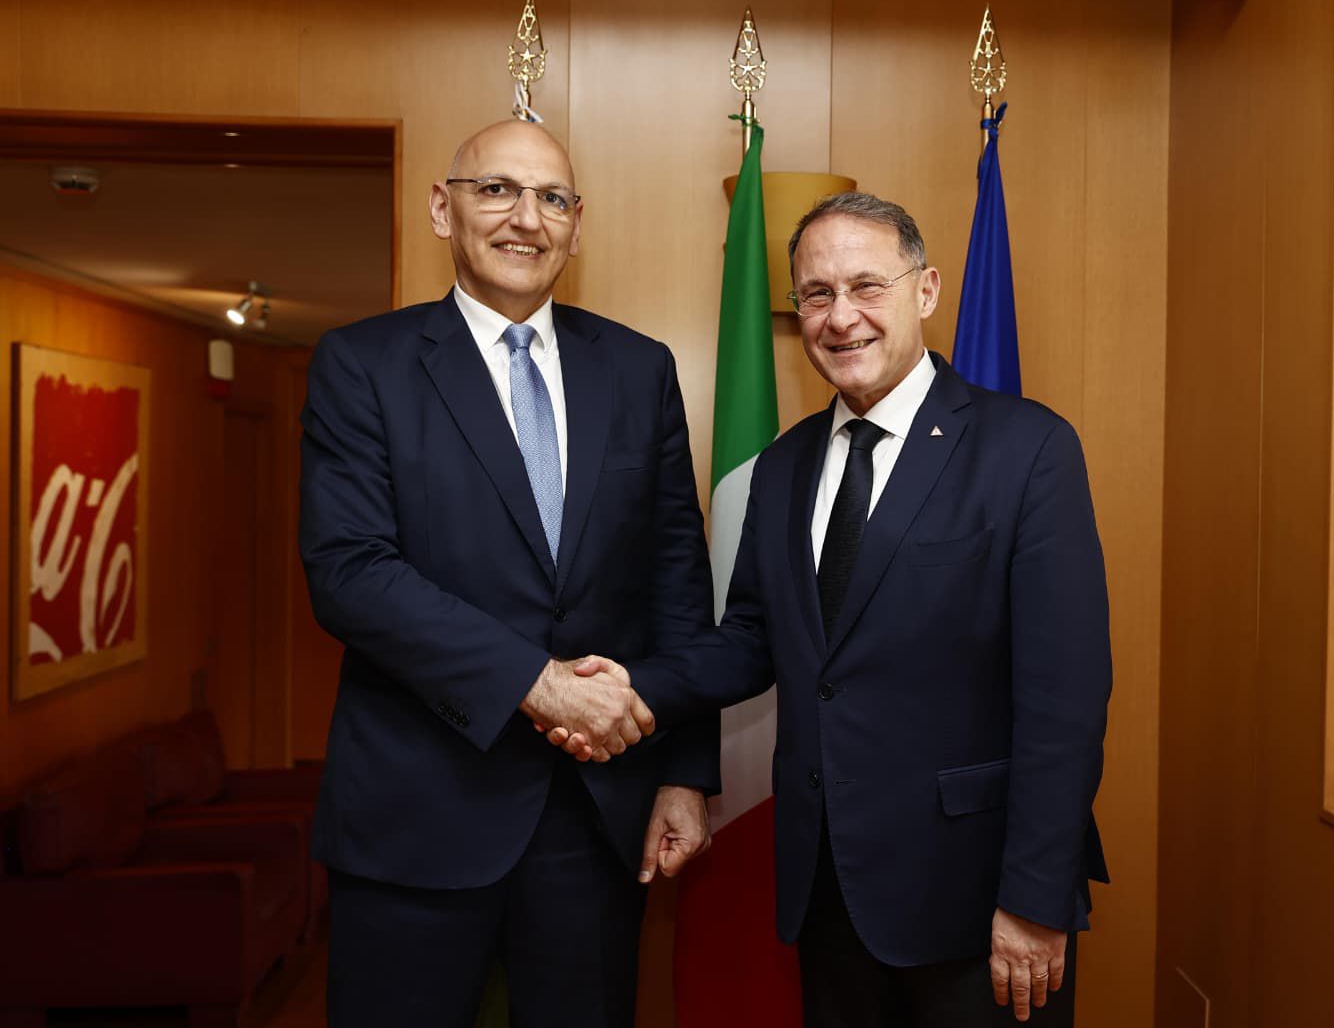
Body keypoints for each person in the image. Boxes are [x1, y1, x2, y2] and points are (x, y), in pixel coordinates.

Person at [555, 192, 1112, 1027]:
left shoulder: (1027, 450)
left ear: (926, 290)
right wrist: (635, 686)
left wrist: (1035, 898)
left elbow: (1065, 698)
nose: (841, 316)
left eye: (867, 286)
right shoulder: (783, 469)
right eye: (817, 294)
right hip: (828, 892)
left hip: (978, 898)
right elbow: (751, 640)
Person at [298, 119, 718, 1028]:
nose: (527, 218)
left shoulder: (639, 370)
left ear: (577, 226)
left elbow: (677, 582)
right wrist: (538, 684)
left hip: (595, 820)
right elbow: (351, 573)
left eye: (552, 198)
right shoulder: (363, 365)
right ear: (441, 209)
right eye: (496, 190)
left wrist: (685, 774)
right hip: (416, 818)